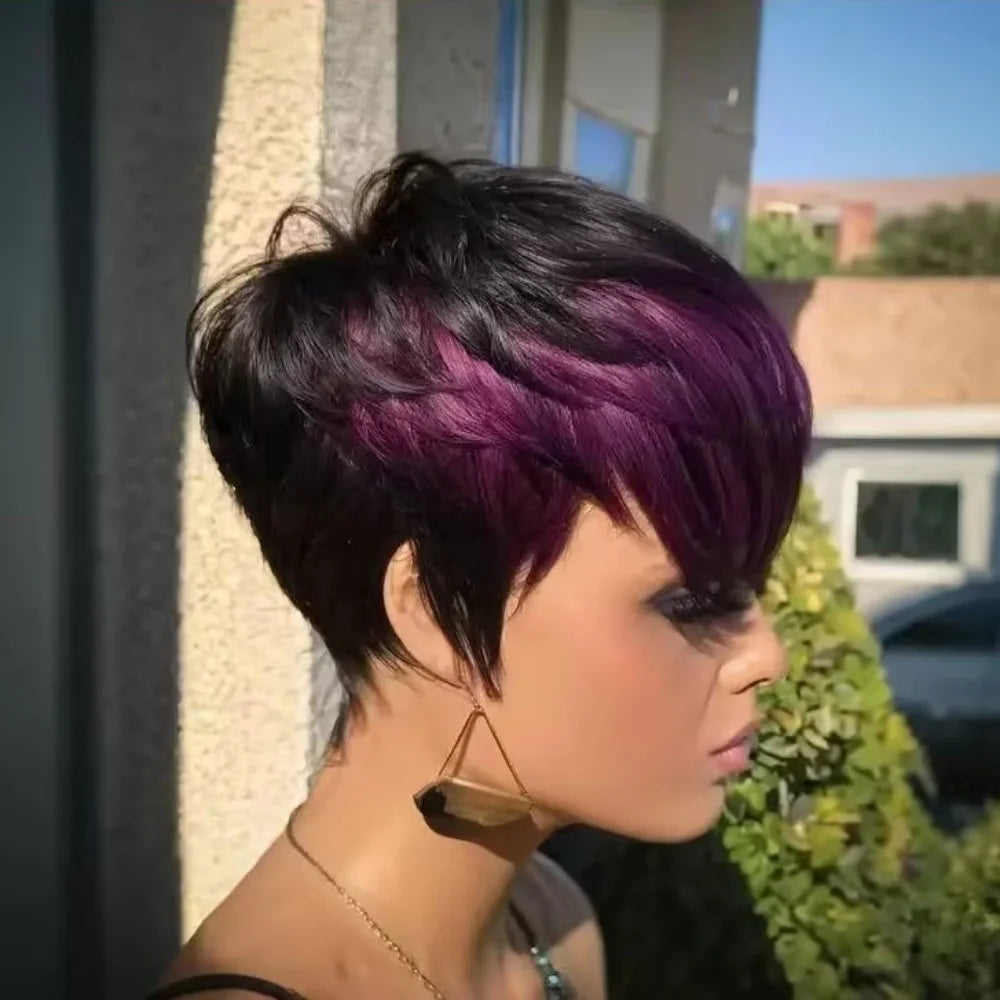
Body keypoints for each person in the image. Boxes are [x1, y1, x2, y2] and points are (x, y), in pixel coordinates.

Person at [149, 153, 811, 1000]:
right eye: (690, 601)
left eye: (749, 587)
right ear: (434, 609)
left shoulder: (552, 925)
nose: (766, 656)